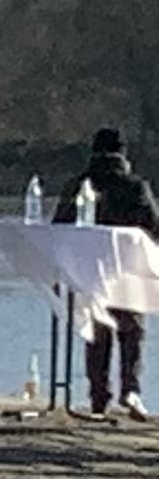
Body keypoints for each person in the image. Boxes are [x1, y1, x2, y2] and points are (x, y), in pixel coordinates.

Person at [75, 128, 157, 417]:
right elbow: (153, 226)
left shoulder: (80, 184)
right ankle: (131, 391)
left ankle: (98, 397)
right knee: (132, 332)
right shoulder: (136, 187)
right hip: (128, 270)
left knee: (97, 334)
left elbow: (60, 223)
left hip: (89, 271)